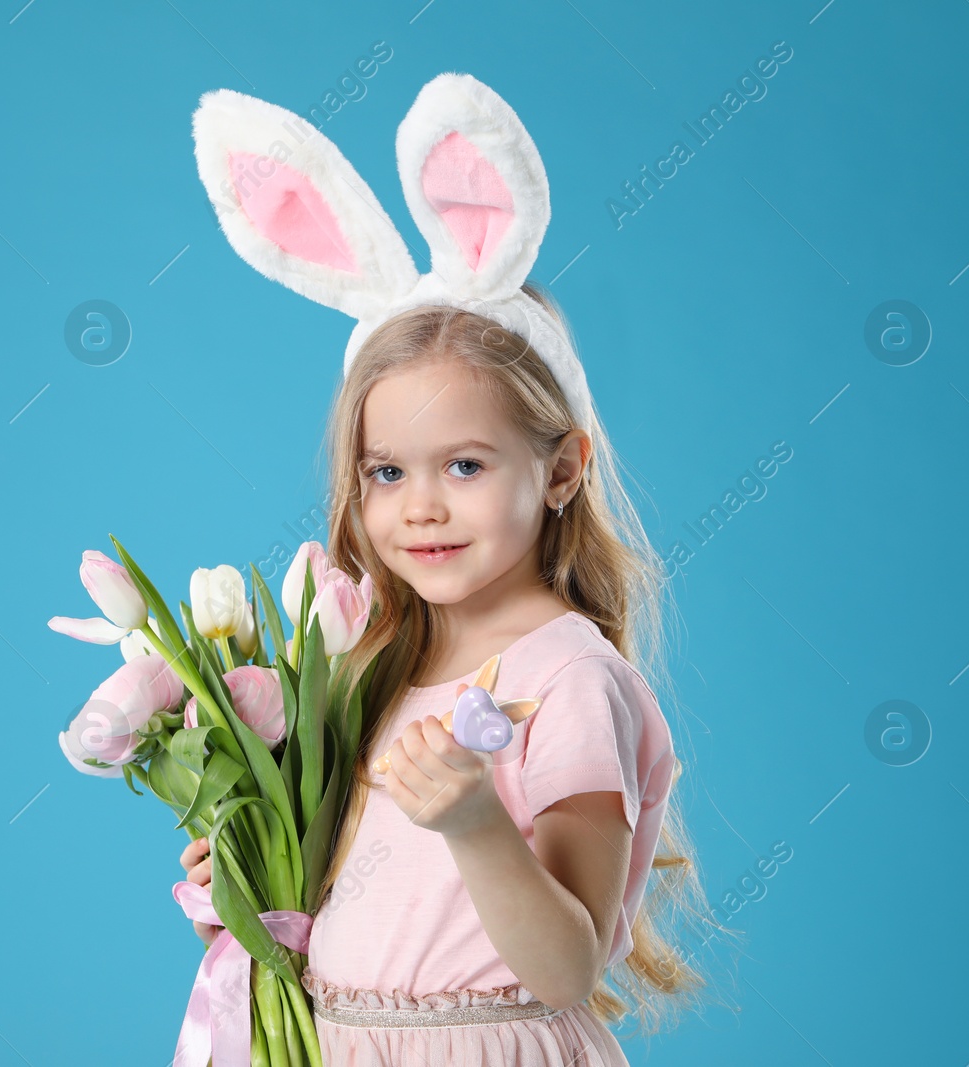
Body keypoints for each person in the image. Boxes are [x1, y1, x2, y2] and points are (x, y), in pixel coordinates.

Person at [184, 70, 727, 1065]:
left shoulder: (567, 681)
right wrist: (256, 889)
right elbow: (376, 910)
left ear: (561, 468)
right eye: (386, 471)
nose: (421, 504)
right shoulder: (371, 664)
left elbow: (564, 966)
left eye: (464, 465)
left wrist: (477, 819)